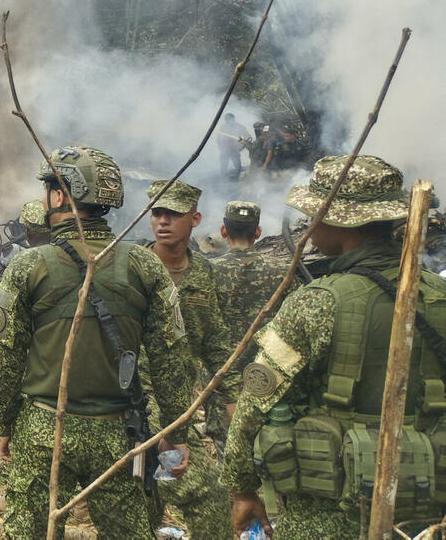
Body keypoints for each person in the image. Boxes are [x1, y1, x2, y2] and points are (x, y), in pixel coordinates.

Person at [224, 155, 446, 538]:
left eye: (315, 217)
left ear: (343, 222)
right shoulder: (439, 295)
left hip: (326, 511)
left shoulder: (317, 301)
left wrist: (242, 488)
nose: (309, 226)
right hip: (425, 509)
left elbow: (256, 399)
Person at [0, 145, 194, 538]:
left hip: (45, 432)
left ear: (62, 196)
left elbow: (3, 355)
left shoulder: (29, 265)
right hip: (119, 433)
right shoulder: (143, 264)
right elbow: (172, 358)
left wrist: (3, 420)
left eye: (50, 188)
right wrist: (177, 433)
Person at [145, 179, 235, 539]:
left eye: (173, 214)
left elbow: (214, 338)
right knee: (205, 493)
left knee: (148, 495)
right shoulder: (133, 268)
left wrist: (230, 396)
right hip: (140, 400)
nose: (162, 222)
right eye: (157, 213)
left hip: (179, 401)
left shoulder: (203, 274)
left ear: (195, 219)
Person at [207, 201, 294, 454]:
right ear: (258, 233)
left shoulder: (209, 271)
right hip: (268, 378)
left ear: (224, 231)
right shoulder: (281, 272)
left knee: (230, 455)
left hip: (223, 379)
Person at [218, 113, 250, 181]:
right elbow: (218, 138)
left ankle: (235, 180)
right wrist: (221, 147)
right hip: (225, 149)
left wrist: (242, 147)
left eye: (229, 119)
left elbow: (248, 138)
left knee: (237, 166)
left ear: (233, 119)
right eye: (226, 119)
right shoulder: (223, 127)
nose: (228, 121)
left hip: (234, 149)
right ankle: (223, 180)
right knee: (223, 166)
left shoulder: (240, 127)